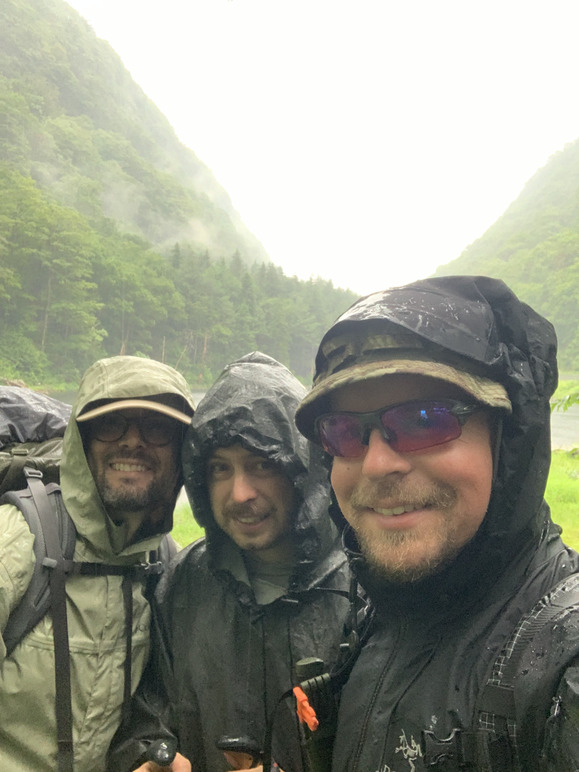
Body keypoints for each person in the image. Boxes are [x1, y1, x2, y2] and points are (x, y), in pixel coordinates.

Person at [294, 275, 579, 771]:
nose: (378, 464)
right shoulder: (378, 617)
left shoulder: (560, 660)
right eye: (344, 432)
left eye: (425, 419)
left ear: (507, 441)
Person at [113, 352, 353, 772]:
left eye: (261, 464)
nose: (240, 493)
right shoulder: (180, 584)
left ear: (301, 469)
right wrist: (147, 756)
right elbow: (147, 717)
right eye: (220, 469)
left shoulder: (364, 585)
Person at [0, 355, 195, 772]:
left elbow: (148, 711)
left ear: (181, 451)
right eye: (111, 424)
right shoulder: (18, 540)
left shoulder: (164, 565)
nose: (132, 441)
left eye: (157, 428)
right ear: (82, 442)